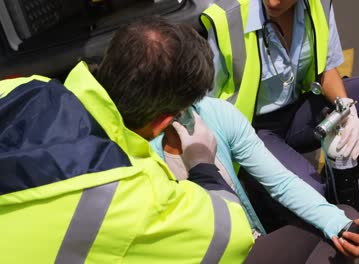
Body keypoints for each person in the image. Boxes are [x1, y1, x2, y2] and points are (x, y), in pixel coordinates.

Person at [0, 17, 254, 263]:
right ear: (163, 122)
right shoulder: (135, 192)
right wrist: (203, 165)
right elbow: (234, 236)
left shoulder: (23, 88)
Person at [200, 0, 359, 218]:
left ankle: (333, 182)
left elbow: (326, 67)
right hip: (253, 131)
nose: (274, 2)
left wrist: (347, 109)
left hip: (297, 111)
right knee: (311, 195)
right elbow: (205, 103)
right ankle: (257, 187)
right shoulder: (228, 19)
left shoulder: (319, 5)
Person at [151, 96, 359, 262]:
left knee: (345, 224)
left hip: (248, 242)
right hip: (212, 256)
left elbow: (281, 182)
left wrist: (336, 223)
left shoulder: (213, 113)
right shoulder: (142, 158)